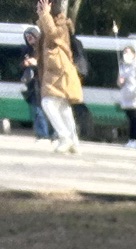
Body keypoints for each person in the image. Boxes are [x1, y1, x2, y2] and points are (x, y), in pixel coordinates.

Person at [35, 0, 82, 155]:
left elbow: (53, 35)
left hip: (59, 71)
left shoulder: (62, 24)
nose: (38, 10)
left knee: (48, 103)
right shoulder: (45, 23)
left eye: (41, 6)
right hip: (53, 71)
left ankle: (64, 137)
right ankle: (74, 141)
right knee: (63, 107)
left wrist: (45, 15)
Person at [21, 26, 50, 143]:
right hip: (33, 86)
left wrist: (36, 63)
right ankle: (41, 134)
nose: (29, 39)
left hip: (44, 84)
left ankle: (47, 135)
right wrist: (25, 63)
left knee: (45, 110)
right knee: (37, 111)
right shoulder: (27, 51)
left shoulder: (44, 49)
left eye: (31, 36)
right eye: (27, 37)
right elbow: (20, 67)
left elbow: (49, 65)